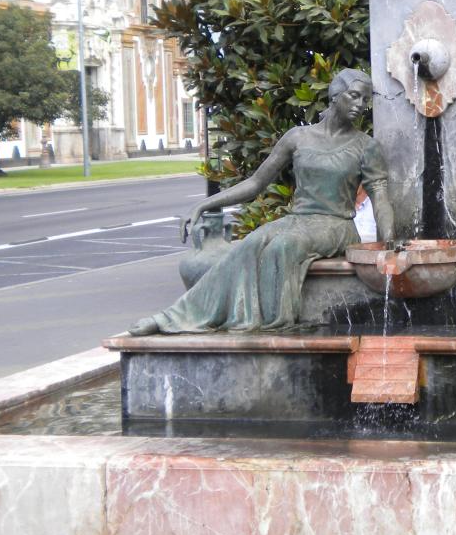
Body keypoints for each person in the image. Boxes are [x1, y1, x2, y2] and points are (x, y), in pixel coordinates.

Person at [129, 68, 394, 335]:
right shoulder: (298, 137)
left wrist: (389, 240)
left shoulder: (366, 146)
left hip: (336, 225)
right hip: (299, 220)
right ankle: (174, 317)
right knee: (249, 244)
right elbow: (256, 183)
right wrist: (204, 204)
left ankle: (274, 327)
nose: (360, 105)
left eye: (365, 100)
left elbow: (380, 197)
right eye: (354, 96)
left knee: (284, 245)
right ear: (335, 95)